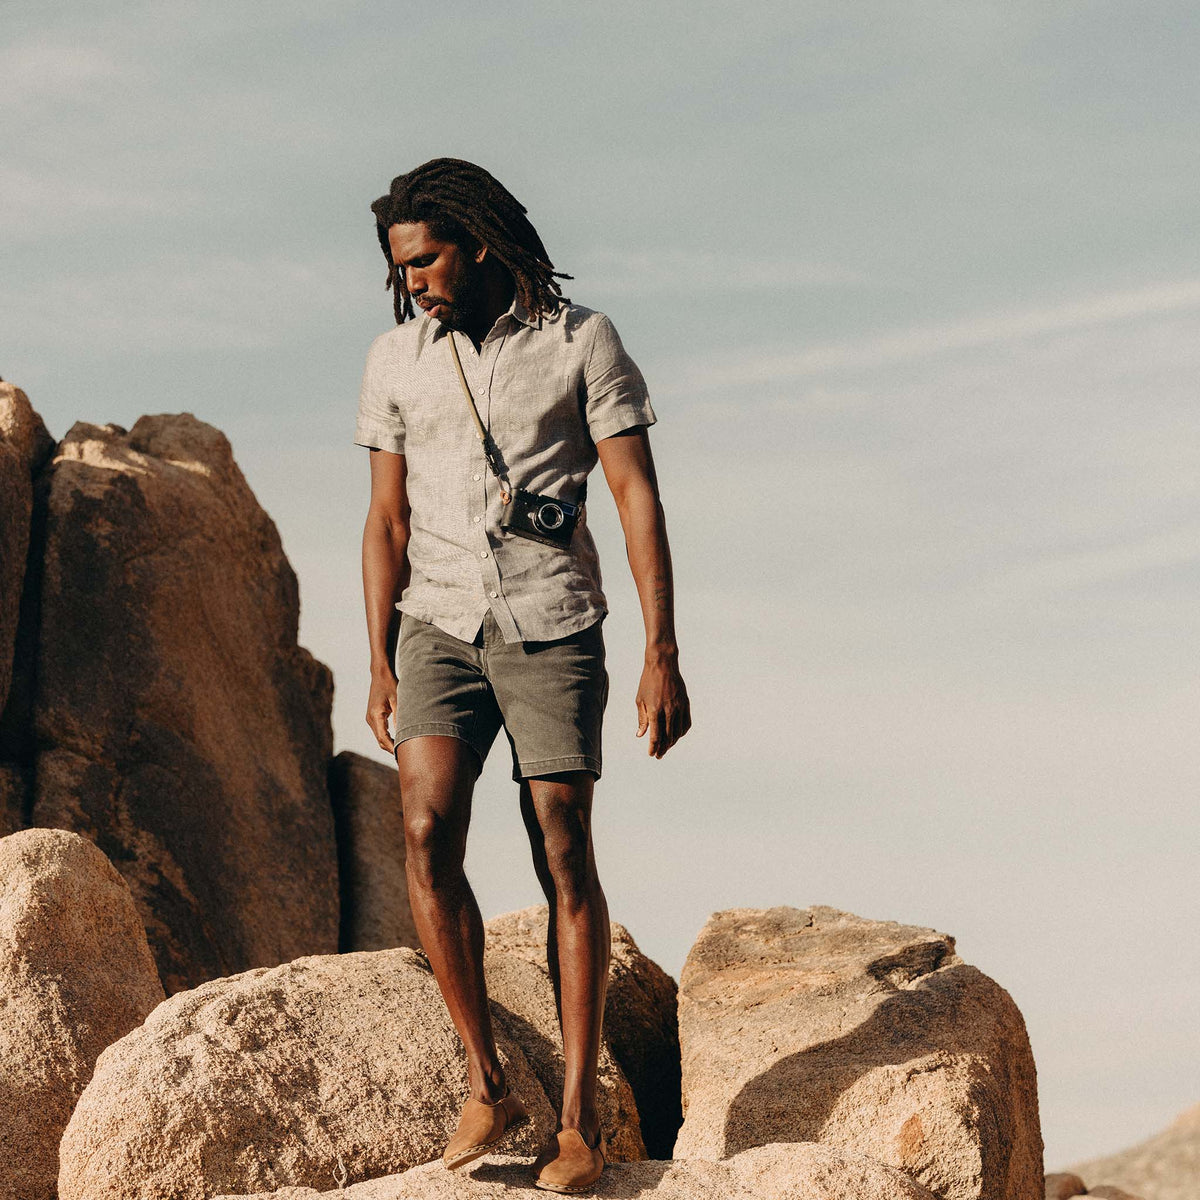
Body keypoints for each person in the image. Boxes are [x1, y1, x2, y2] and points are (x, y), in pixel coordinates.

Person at [355, 158, 690, 1193]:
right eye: (402, 268)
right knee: (422, 831)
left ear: (479, 241)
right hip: (435, 624)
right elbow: (386, 517)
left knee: (562, 852)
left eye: (429, 258)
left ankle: (582, 1123)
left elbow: (634, 492)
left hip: (550, 620)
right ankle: (487, 1082)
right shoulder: (396, 359)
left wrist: (660, 651)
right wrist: (378, 656)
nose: (415, 281)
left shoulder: (581, 342)